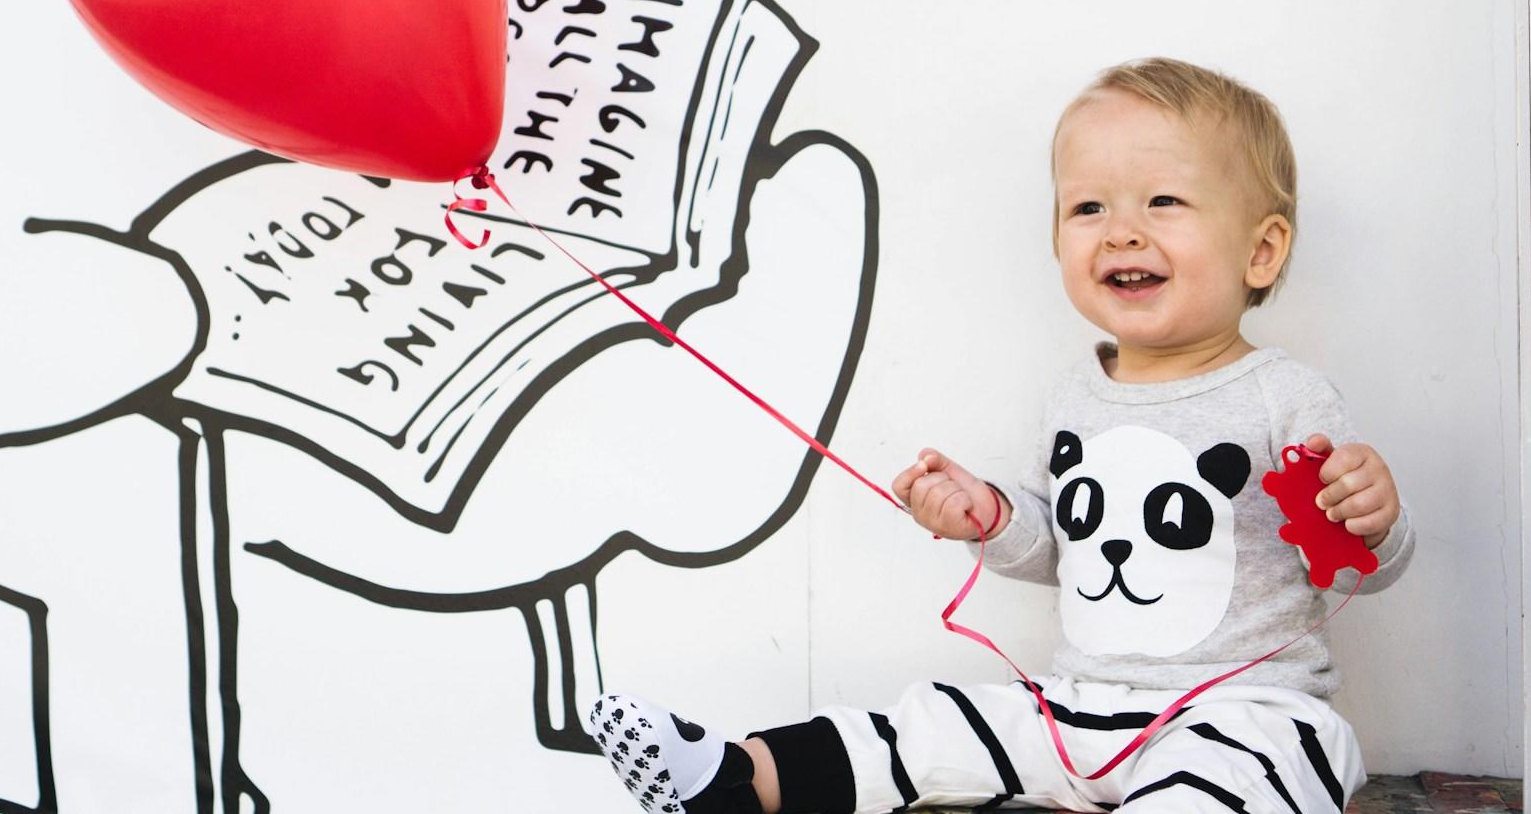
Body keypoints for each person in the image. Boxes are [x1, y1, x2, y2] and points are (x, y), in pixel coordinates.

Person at [586, 57, 1413, 813]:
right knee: (935, 722)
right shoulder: (1077, 395)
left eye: (1162, 201)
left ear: (1261, 252)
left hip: (1245, 711)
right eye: (1088, 207)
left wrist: (1374, 517)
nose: (1120, 230)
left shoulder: (1285, 397)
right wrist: (987, 515)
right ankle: (735, 777)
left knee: (1227, 780)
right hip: (1080, 709)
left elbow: (1358, 569)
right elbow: (1058, 547)